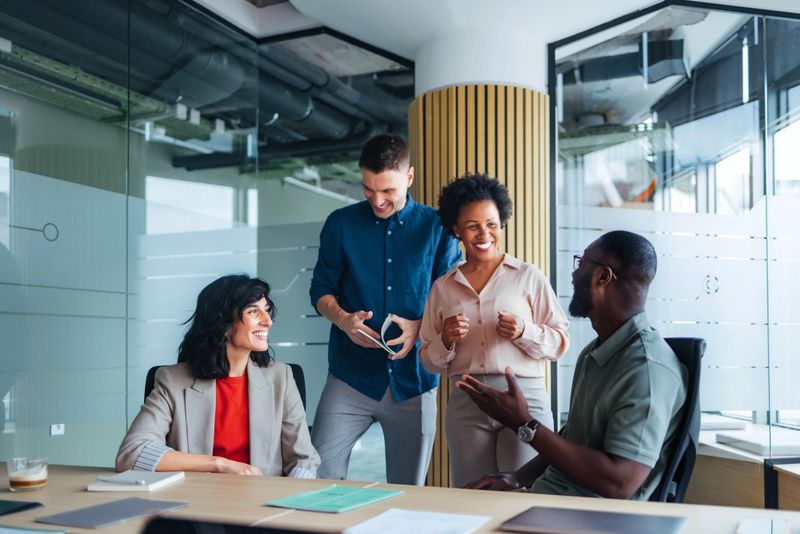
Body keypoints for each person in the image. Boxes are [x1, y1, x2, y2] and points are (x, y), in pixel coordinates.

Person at [458, 231, 687, 500]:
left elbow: (620, 483)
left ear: (602, 276)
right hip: (551, 499)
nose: (573, 275)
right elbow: (573, 440)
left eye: (581, 264)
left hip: (595, 519)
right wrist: (517, 477)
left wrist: (525, 424)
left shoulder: (647, 370)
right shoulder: (595, 351)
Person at [309, 134, 461, 485]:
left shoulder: (439, 227)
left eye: (388, 191)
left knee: (408, 491)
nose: (377, 200)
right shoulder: (340, 224)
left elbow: (453, 300)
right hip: (350, 376)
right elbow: (321, 291)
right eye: (368, 189)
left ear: (409, 177)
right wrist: (344, 319)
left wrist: (420, 327)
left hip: (414, 381)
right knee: (315, 475)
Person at [418, 173, 570, 488]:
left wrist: (525, 331)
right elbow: (429, 362)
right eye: (472, 226)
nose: (484, 234)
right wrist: (445, 339)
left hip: (523, 398)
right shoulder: (443, 288)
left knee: (526, 493)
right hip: (466, 401)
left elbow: (560, 342)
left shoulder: (528, 276)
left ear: (502, 224)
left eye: (492, 224)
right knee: (471, 495)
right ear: (456, 230)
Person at [117, 275, 320, 478]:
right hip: (198, 501)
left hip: (263, 503)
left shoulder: (281, 377)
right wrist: (219, 464)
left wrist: (292, 502)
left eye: (266, 310)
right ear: (223, 324)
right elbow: (132, 453)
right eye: (253, 311)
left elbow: (304, 459)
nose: (267, 321)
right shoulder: (173, 381)